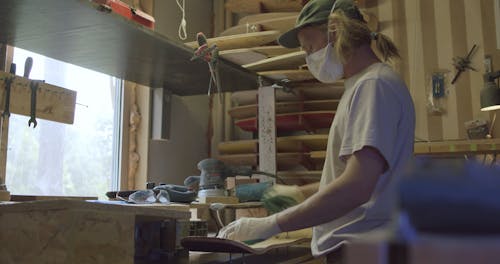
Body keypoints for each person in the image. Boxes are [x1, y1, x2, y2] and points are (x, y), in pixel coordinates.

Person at [218, 0, 416, 262]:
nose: (307, 57)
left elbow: (357, 186)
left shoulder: (373, 86)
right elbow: (354, 176)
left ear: (334, 31)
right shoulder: (363, 85)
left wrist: (272, 224)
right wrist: (300, 193)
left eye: (309, 47)